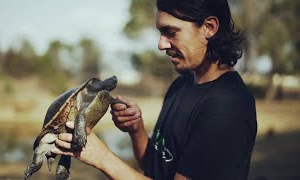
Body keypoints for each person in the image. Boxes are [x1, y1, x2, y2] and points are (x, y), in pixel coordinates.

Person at [51, 0, 258, 179]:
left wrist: (102, 158)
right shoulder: (181, 86)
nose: (161, 44)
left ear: (209, 27)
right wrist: (136, 129)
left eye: (170, 32)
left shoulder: (227, 108)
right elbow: (153, 166)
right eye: (160, 32)